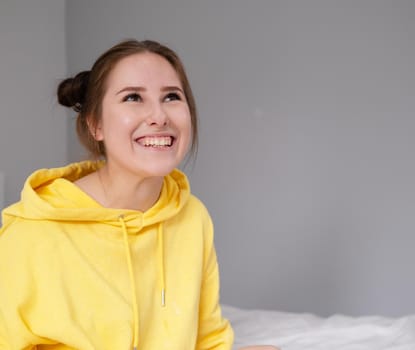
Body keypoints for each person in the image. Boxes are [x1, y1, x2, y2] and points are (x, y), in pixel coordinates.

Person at [0, 39, 277, 350]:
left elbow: (207, 339)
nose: (159, 116)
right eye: (133, 97)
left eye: (171, 96)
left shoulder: (192, 217)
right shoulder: (29, 236)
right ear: (96, 125)